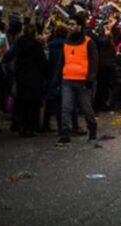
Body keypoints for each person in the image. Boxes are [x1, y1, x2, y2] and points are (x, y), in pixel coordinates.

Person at [58, 14, 98, 144]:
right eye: (69, 24)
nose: (69, 27)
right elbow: (61, 61)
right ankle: (65, 134)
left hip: (83, 81)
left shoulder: (88, 42)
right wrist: (58, 78)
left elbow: (94, 62)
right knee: (66, 108)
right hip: (67, 80)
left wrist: (90, 79)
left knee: (86, 108)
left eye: (72, 24)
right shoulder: (66, 42)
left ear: (80, 26)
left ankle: (92, 129)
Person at [13, 22, 47, 137]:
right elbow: (43, 63)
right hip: (34, 79)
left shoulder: (19, 44)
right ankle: (30, 128)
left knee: (22, 103)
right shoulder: (37, 47)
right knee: (32, 105)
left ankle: (21, 126)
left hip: (22, 78)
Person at [42, 26, 67, 134]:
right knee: (62, 102)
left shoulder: (49, 46)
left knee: (49, 101)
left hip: (50, 75)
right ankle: (62, 127)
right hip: (63, 75)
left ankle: (45, 124)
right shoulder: (67, 46)